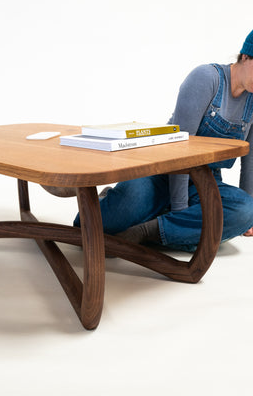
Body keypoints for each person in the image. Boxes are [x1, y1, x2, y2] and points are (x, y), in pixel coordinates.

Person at [73, 30, 253, 252]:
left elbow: (250, 156)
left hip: (204, 181)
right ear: (245, 56)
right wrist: (180, 210)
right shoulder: (207, 78)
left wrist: (249, 216)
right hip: (161, 172)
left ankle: (144, 232)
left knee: (245, 209)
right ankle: (169, 224)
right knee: (88, 226)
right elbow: (180, 149)